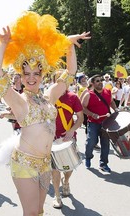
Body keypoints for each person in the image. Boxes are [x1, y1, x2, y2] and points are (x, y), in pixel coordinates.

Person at [0, 11, 90, 216]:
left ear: (43, 73)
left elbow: (70, 73)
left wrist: (68, 45)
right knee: (31, 213)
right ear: (21, 75)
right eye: (26, 74)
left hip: (45, 163)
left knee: (39, 211)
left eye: (36, 73)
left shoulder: (49, 96)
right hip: (24, 163)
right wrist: (3, 44)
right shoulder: (18, 100)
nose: (31, 78)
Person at [51, 71, 83, 209]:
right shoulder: (48, 97)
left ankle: (66, 181)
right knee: (55, 168)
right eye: (57, 80)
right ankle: (57, 195)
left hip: (69, 137)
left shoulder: (73, 97)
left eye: (62, 80)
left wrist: (71, 131)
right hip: (52, 138)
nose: (60, 83)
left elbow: (80, 118)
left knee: (69, 167)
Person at [81, 74, 117, 172]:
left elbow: (111, 102)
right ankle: (88, 157)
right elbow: (83, 108)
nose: (100, 82)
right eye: (97, 81)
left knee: (105, 144)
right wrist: (92, 114)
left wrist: (116, 109)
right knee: (91, 142)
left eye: (101, 80)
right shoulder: (89, 94)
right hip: (93, 123)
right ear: (92, 83)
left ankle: (103, 164)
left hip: (106, 122)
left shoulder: (108, 92)